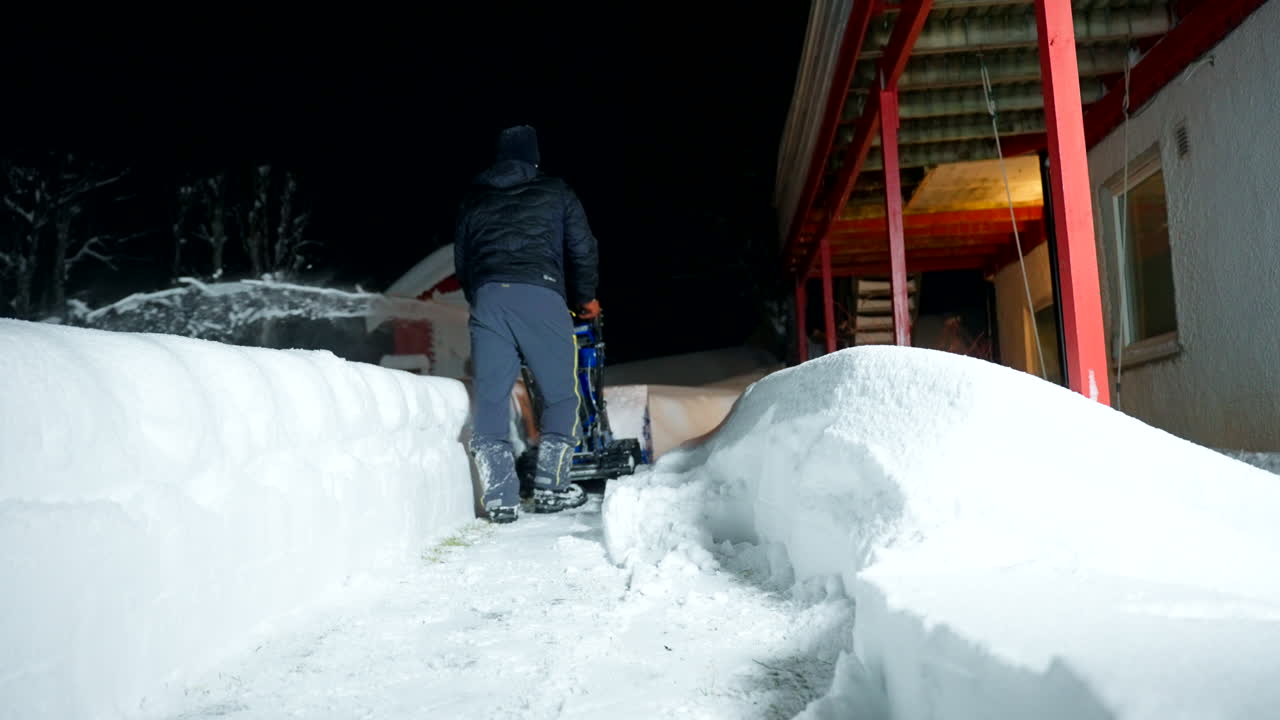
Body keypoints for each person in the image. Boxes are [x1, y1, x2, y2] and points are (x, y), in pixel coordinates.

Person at [453, 124, 601, 524]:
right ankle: (552, 488)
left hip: (489, 300)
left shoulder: (475, 196)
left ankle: (500, 497)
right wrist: (585, 297)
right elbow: (582, 247)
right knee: (560, 396)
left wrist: (480, 298)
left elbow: (462, 258)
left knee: (492, 399)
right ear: (534, 157)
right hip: (541, 293)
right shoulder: (556, 190)